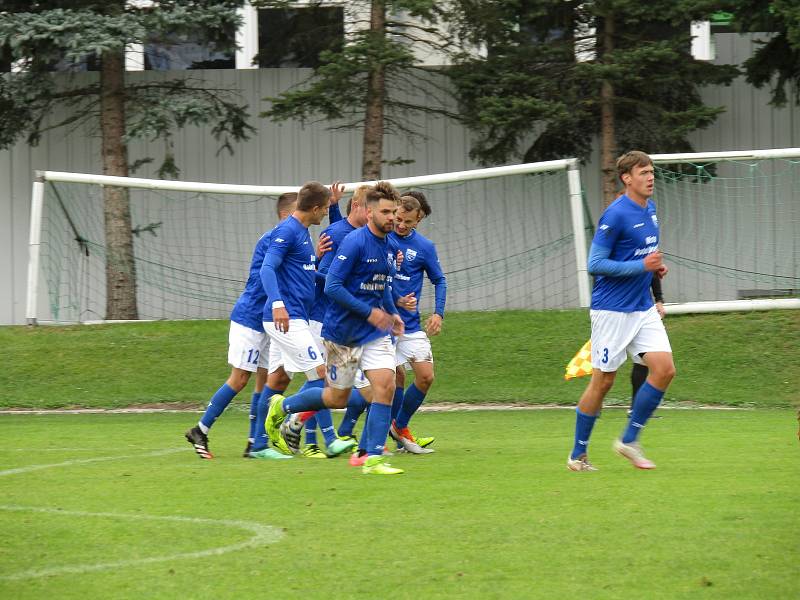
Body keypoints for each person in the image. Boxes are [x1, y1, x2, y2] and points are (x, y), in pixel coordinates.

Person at [264, 182, 407, 475]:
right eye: (386, 212)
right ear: (368, 213)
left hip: (374, 333)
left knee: (385, 386)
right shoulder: (354, 242)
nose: (392, 217)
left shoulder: (390, 246)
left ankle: (373, 459)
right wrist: (370, 313)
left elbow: (381, 286)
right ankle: (282, 407)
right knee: (335, 398)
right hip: (344, 333)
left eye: (395, 211)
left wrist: (392, 313)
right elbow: (332, 286)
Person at [567, 150, 676, 472]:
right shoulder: (615, 215)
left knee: (665, 369)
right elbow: (595, 264)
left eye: (652, 171)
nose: (650, 177)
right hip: (611, 311)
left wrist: (654, 270)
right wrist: (640, 265)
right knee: (603, 382)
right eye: (644, 172)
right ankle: (578, 454)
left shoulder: (651, 209)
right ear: (627, 178)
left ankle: (629, 440)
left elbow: (646, 256)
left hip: (642, 307)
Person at [184, 193, 297, 460]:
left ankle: (253, 442)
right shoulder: (275, 238)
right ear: (286, 214)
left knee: (265, 382)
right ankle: (200, 429)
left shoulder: (291, 238)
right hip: (250, 317)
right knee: (240, 378)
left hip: (269, 320)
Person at [252, 180, 356, 459]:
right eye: (324, 210)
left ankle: (260, 444)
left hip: (297, 317)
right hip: (286, 319)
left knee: (278, 380)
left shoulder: (303, 232)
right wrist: (277, 304)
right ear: (313, 208)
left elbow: (308, 275)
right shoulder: (288, 230)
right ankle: (287, 417)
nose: (324, 215)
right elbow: (267, 268)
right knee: (323, 377)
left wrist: (338, 285)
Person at [386, 195, 447, 454]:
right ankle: (364, 437)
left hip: (410, 326)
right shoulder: (382, 238)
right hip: (383, 324)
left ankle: (400, 426)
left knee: (425, 376)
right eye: (398, 219)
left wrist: (438, 313)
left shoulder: (424, 247)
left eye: (407, 221)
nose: (400, 225)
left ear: (418, 219)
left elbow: (439, 280)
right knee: (386, 381)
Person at [629, 277, 665, 414]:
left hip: (643, 313)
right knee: (606, 367)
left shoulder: (647, 256)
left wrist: (659, 300)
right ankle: (594, 404)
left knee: (643, 361)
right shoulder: (610, 258)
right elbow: (597, 269)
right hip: (614, 312)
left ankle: (635, 408)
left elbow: (653, 272)